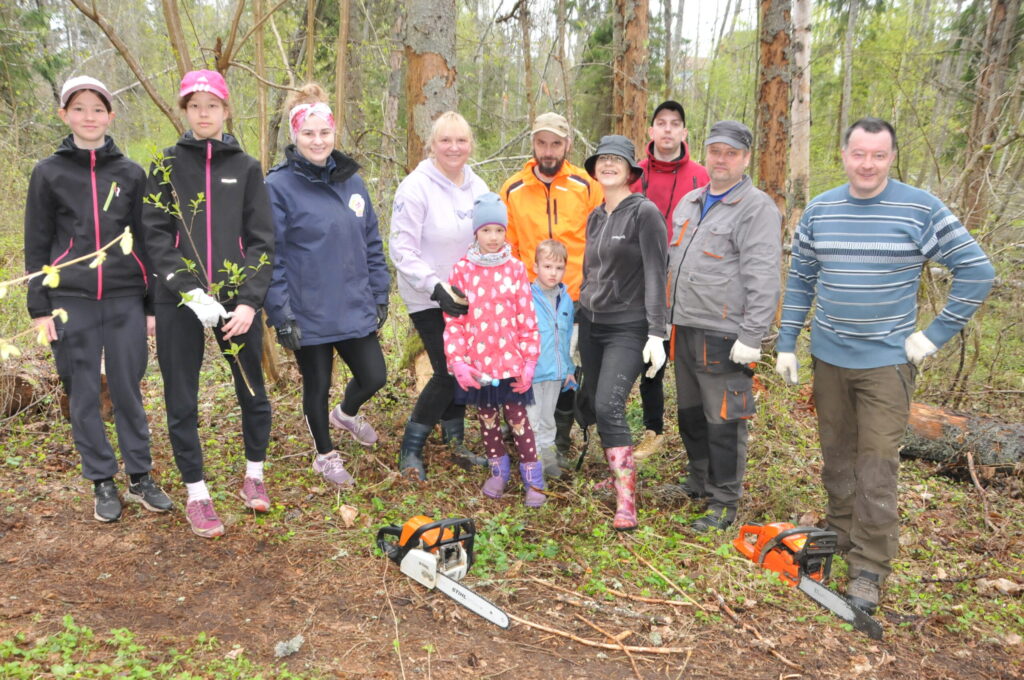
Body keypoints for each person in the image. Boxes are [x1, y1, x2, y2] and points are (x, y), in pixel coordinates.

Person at [775, 117, 995, 613]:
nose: (867, 164)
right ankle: (839, 533)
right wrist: (787, 340)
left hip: (886, 363)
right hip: (829, 356)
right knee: (837, 453)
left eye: (878, 155)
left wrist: (933, 335)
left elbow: (977, 271)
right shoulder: (820, 210)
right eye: (858, 153)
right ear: (844, 154)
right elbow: (802, 279)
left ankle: (870, 565)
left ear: (891, 157)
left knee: (876, 462)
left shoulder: (919, 209)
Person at [24, 75, 172, 523]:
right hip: (71, 299)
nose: (89, 117)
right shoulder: (49, 172)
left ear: (110, 115)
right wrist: (39, 308)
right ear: (64, 114)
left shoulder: (130, 173)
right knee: (84, 391)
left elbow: (144, 241)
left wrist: (149, 305)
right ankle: (102, 480)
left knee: (127, 388)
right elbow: (37, 242)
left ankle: (140, 475)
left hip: (125, 298)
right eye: (79, 108)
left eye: (97, 108)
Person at [142, 70, 275, 538]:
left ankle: (253, 476)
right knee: (181, 396)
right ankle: (197, 494)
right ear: (185, 111)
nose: (203, 113)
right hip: (180, 301)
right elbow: (154, 236)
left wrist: (249, 303)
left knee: (251, 389)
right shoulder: (164, 164)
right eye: (194, 105)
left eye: (211, 105)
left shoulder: (247, 167)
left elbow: (262, 241)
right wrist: (187, 289)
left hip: (236, 299)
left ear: (226, 110)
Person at [264, 83, 388, 488]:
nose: (318, 141)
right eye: (308, 133)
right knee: (316, 386)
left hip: (352, 303)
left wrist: (380, 291)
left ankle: (347, 413)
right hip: (308, 311)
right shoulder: (278, 187)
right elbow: (273, 256)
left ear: (335, 134)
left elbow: (370, 241)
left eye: (325, 132)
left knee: (374, 376)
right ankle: (324, 453)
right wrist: (280, 313)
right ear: (295, 136)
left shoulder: (352, 182)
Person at [667, 120, 782, 533]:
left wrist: (752, 337)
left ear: (745, 158)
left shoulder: (756, 208)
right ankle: (698, 480)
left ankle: (723, 502)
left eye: (731, 153)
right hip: (685, 327)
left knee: (725, 421)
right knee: (691, 414)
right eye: (715, 150)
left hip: (726, 335)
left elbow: (764, 277)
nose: (721, 159)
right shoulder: (691, 202)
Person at [390, 112, 490, 480]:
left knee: (463, 369)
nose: (453, 147)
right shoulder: (415, 187)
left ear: (470, 145)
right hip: (427, 295)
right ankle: (411, 446)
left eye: (460, 140)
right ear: (432, 144)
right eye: (445, 140)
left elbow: (490, 238)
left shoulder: (478, 186)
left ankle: (455, 440)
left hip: (466, 295)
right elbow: (401, 248)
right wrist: (434, 285)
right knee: (449, 369)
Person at [500, 112, 603, 469]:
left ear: (567, 145)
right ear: (533, 143)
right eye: (542, 142)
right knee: (528, 371)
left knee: (565, 373)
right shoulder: (513, 188)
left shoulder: (586, 185)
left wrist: (592, 286)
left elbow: (598, 240)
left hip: (573, 298)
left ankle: (557, 443)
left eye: (555, 143)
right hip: (529, 301)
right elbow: (506, 246)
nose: (548, 150)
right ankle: (523, 438)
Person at [577, 135, 667, 531]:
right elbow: (589, 274)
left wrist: (656, 333)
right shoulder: (596, 216)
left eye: (617, 160)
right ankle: (617, 471)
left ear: (631, 170)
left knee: (610, 405)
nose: (609, 165)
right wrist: (578, 319)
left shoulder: (644, 214)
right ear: (595, 169)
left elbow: (655, 273)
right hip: (592, 325)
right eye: (603, 159)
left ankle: (626, 500)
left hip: (629, 328)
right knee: (595, 403)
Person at [443, 193, 543, 506]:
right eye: (486, 230)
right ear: (476, 232)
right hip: (480, 367)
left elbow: (527, 318)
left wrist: (529, 361)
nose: (493, 237)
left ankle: (534, 481)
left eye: (499, 230)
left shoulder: (515, 269)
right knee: (487, 420)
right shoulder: (461, 270)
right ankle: (498, 471)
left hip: (512, 365)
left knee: (518, 420)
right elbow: (454, 321)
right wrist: (458, 361)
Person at [630, 101, 710, 460]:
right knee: (652, 353)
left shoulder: (702, 175)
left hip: (690, 280)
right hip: (642, 276)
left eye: (674, 124)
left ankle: (701, 438)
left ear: (684, 132)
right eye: (660, 123)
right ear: (650, 132)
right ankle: (653, 429)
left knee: (692, 361)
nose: (666, 130)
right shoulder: (634, 174)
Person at [525, 240, 577, 478]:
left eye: (558, 268)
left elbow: (565, 337)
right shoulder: (526, 297)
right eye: (547, 266)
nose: (553, 273)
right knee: (531, 419)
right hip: (533, 372)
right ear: (536, 266)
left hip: (556, 373)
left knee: (548, 418)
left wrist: (568, 367)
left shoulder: (565, 299)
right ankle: (532, 465)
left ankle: (548, 460)